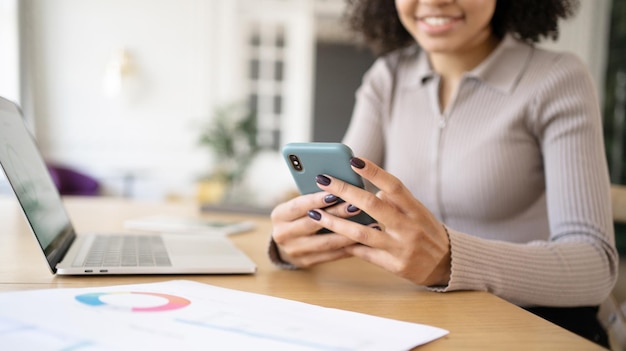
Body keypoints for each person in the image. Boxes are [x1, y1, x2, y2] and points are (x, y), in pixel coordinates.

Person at [269, 0, 618, 347]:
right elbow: (343, 199)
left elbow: (595, 266)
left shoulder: (557, 78)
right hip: (424, 321)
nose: (434, 1)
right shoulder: (387, 77)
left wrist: (451, 261)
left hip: (535, 325)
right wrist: (300, 237)